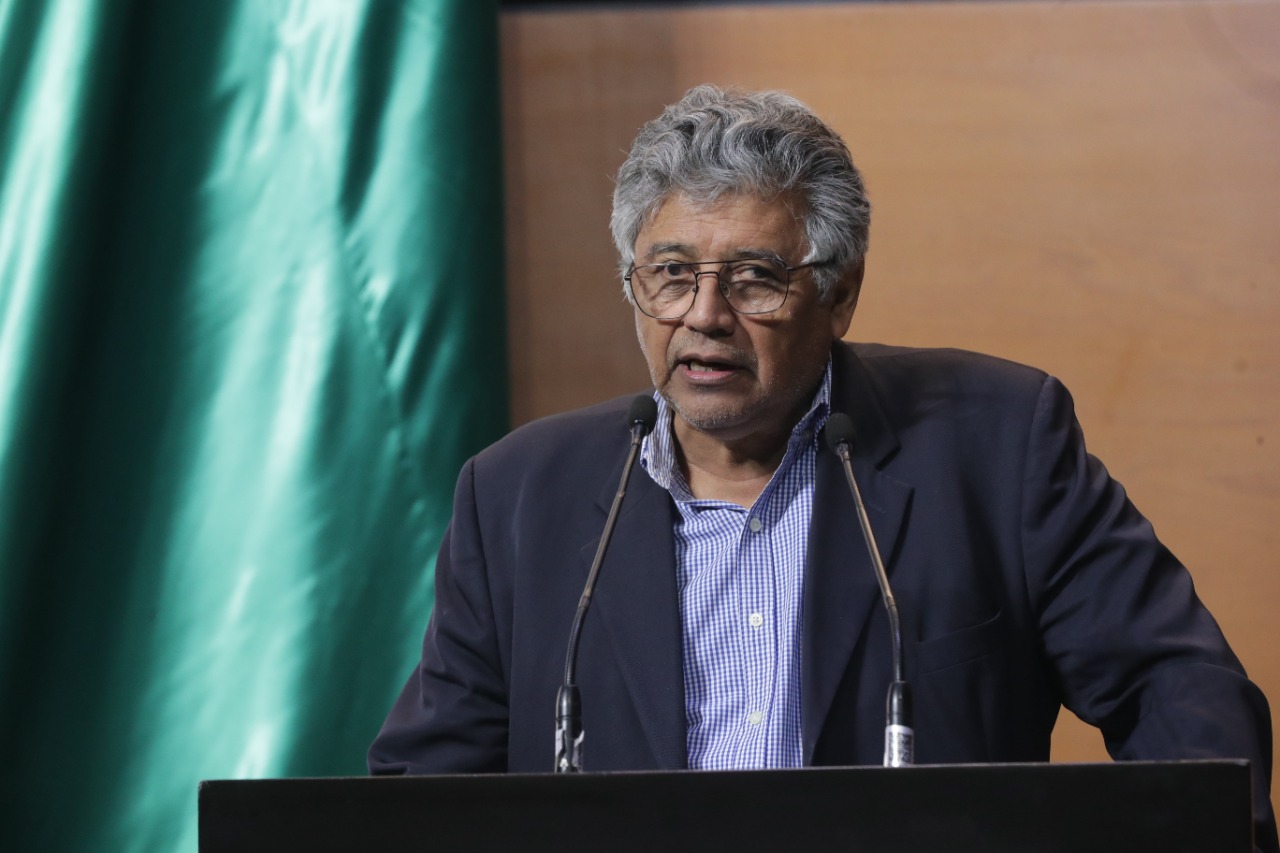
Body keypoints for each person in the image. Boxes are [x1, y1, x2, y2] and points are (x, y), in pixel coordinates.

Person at [369, 85, 1276, 849]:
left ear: (839, 294)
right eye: (671, 274)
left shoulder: (999, 445)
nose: (705, 315)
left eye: (755, 278)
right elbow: (424, 791)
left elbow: (1180, 692)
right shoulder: (520, 494)